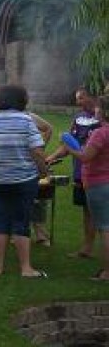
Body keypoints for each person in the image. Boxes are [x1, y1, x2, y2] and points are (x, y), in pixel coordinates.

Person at [0, 84, 48, 278]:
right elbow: (37, 151)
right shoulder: (26, 121)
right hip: (23, 179)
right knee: (21, 221)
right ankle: (26, 268)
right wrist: (43, 171)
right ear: (22, 101)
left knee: (0, 220)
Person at [46, 86, 100, 258]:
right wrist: (50, 158)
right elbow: (68, 145)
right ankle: (87, 248)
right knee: (87, 210)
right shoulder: (78, 118)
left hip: (99, 173)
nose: (78, 102)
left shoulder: (103, 120)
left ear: (93, 97)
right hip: (80, 172)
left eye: (81, 98)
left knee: (100, 213)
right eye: (77, 98)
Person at [63, 95, 109, 280]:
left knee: (105, 228)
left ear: (103, 111)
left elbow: (85, 157)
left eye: (98, 108)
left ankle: (107, 272)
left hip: (99, 184)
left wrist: (70, 148)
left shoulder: (101, 133)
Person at [28, 112, 53, 246]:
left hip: (31, 163)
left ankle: (39, 232)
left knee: (39, 196)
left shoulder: (29, 116)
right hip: (13, 165)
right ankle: (16, 232)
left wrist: (40, 147)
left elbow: (48, 128)